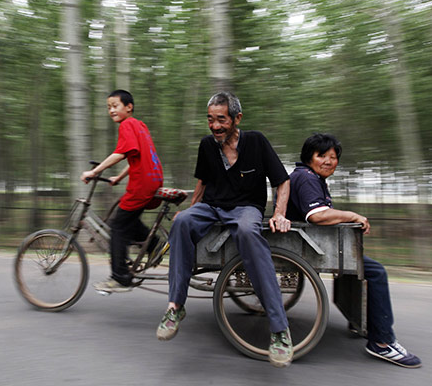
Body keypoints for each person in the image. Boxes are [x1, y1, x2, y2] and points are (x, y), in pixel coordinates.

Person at [156, 92, 294, 368]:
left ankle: (279, 330)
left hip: (246, 209)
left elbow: (282, 181)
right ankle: (175, 307)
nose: (215, 126)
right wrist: (191, 210)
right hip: (212, 207)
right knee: (181, 222)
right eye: (210, 119)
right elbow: (203, 183)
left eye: (221, 119)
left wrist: (279, 213)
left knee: (246, 231)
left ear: (236, 118)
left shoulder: (256, 141)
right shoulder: (207, 145)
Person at [286, 133, 422, 368]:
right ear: (310, 157)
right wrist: (354, 216)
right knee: (376, 272)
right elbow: (316, 215)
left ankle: (363, 323)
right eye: (322, 156)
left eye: (333, 157)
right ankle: (381, 342)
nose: (329, 161)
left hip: (313, 243)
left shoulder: (310, 177)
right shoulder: (306, 178)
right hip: (307, 247)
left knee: (361, 265)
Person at [81, 90, 164, 293]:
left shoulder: (127, 125)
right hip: (153, 179)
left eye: (115, 105)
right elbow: (136, 156)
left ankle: (119, 277)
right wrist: (119, 178)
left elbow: (120, 154)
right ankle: (154, 245)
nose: (111, 110)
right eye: (108, 107)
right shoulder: (140, 125)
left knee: (117, 226)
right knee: (128, 219)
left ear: (129, 107)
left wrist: (94, 171)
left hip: (142, 184)